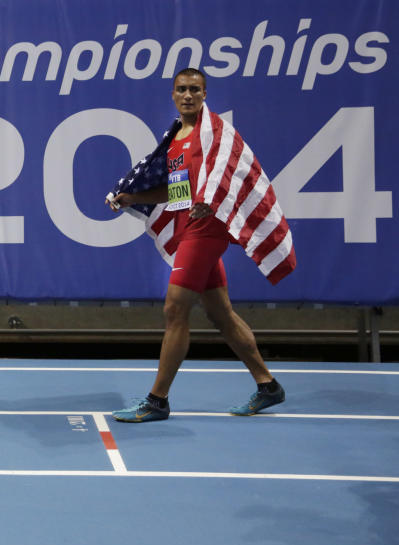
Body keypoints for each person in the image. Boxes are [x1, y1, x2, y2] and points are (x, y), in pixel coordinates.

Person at [106, 68, 290, 422]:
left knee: (175, 309)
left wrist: (209, 197)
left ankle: (157, 400)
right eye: (181, 90)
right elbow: (179, 193)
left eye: (194, 89)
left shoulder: (216, 134)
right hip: (188, 223)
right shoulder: (175, 139)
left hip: (207, 227)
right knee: (220, 313)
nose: (187, 95)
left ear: (205, 94)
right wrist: (132, 197)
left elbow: (227, 170)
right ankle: (268, 385)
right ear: (173, 95)